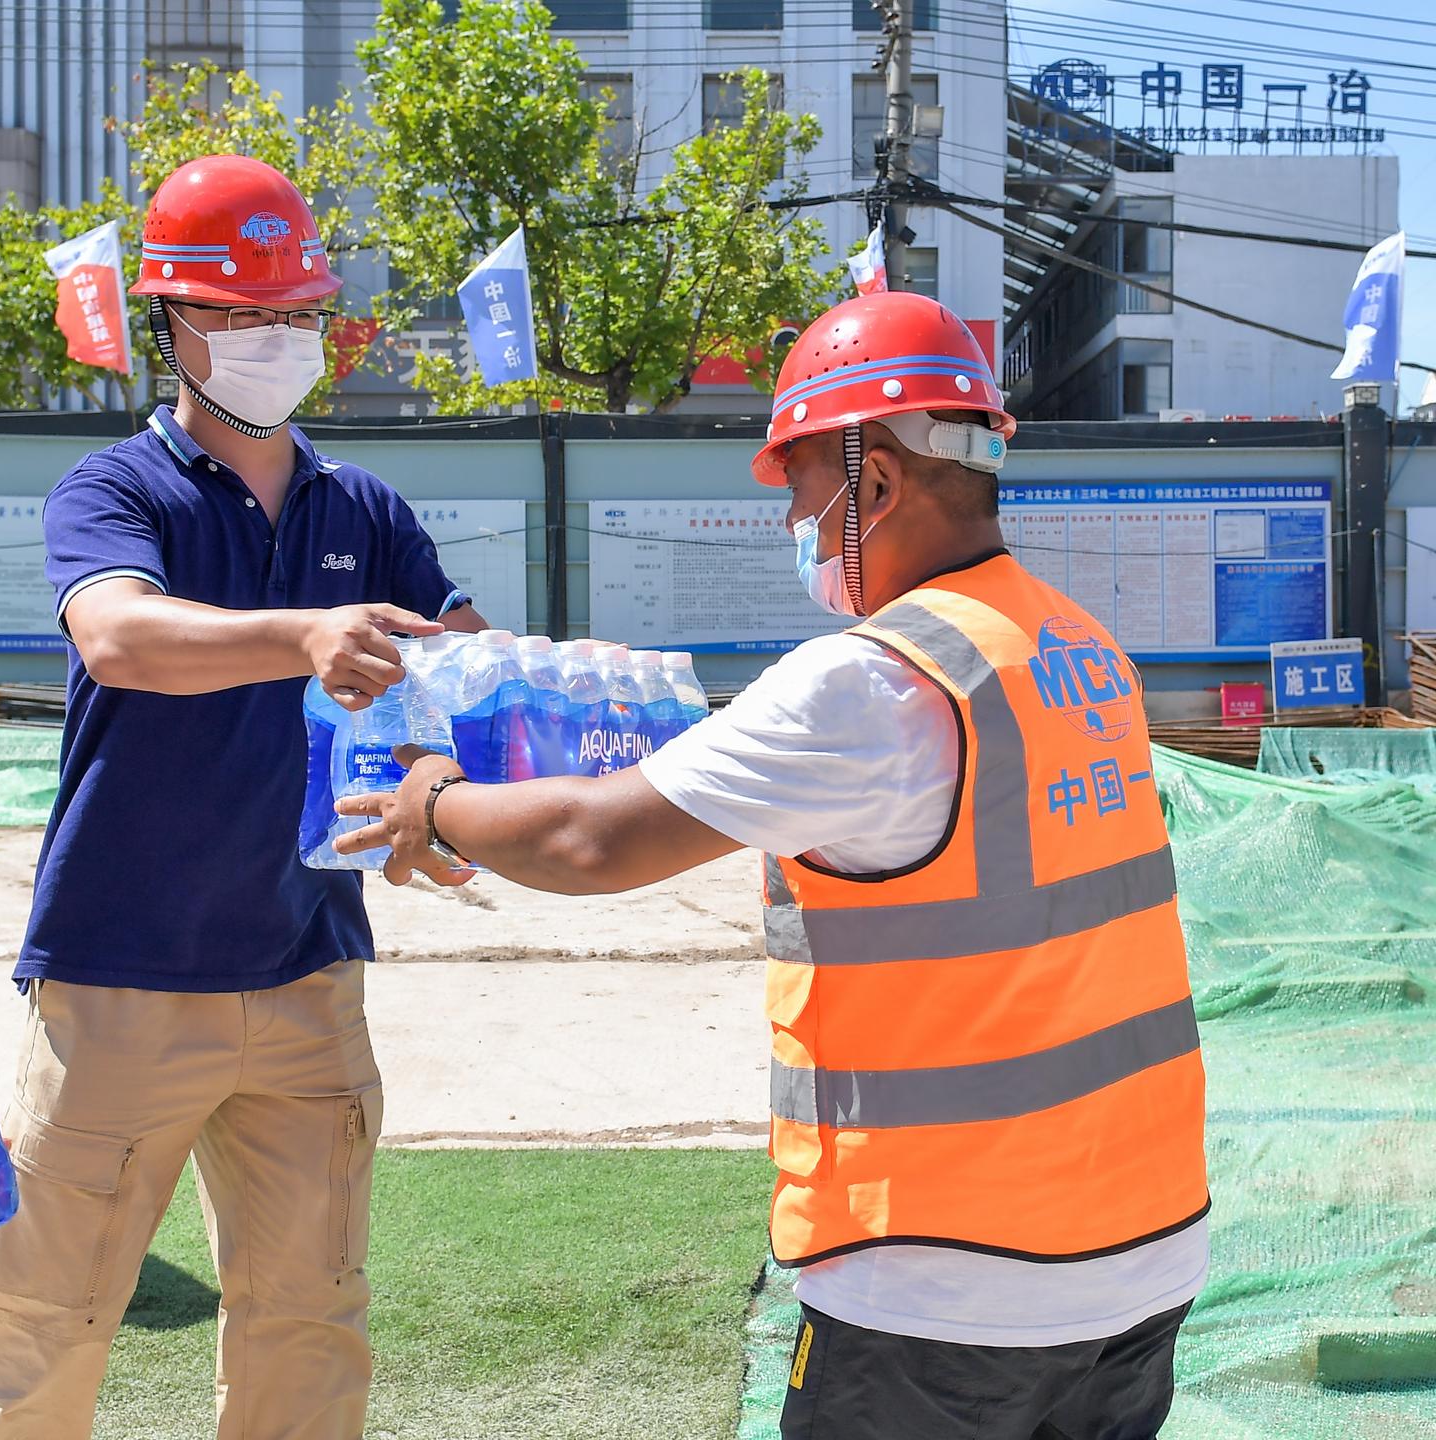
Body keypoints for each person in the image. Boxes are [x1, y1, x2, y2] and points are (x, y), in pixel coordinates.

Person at [340, 292, 1210, 1439]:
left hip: (946, 1277)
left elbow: (589, 841)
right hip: (1140, 1248)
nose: (792, 519)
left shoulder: (869, 680)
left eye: (801, 486)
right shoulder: (1071, 643)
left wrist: (435, 802)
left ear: (879, 483)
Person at [0, 154, 487, 1440]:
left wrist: (447, 785)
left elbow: (453, 663)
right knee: (42, 1313)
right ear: (168, 321)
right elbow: (119, 637)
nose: (270, 340)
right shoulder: (117, 489)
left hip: (307, 971)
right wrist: (299, 636)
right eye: (236, 314)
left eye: (293, 314)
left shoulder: (367, 506)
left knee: (311, 1311)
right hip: (120, 973)